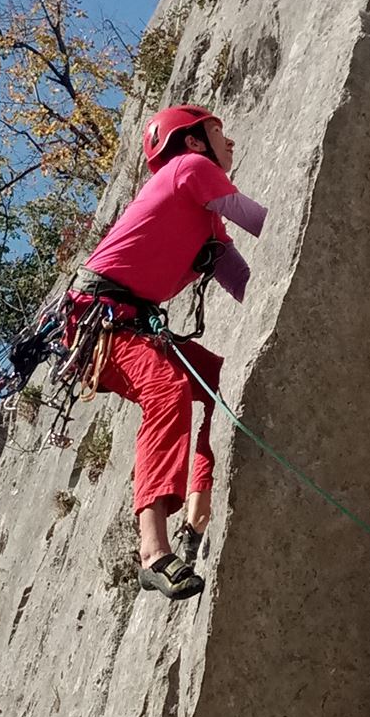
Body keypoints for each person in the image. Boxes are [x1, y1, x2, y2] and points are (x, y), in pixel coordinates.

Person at [67, 105, 267, 600]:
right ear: (195, 142)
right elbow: (259, 220)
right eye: (220, 131)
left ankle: (196, 510)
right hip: (102, 319)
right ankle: (153, 553)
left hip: (125, 321)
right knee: (167, 389)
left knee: (213, 378)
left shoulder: (201, 212)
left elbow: (242, 278)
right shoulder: (191, 169)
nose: (232, 142)